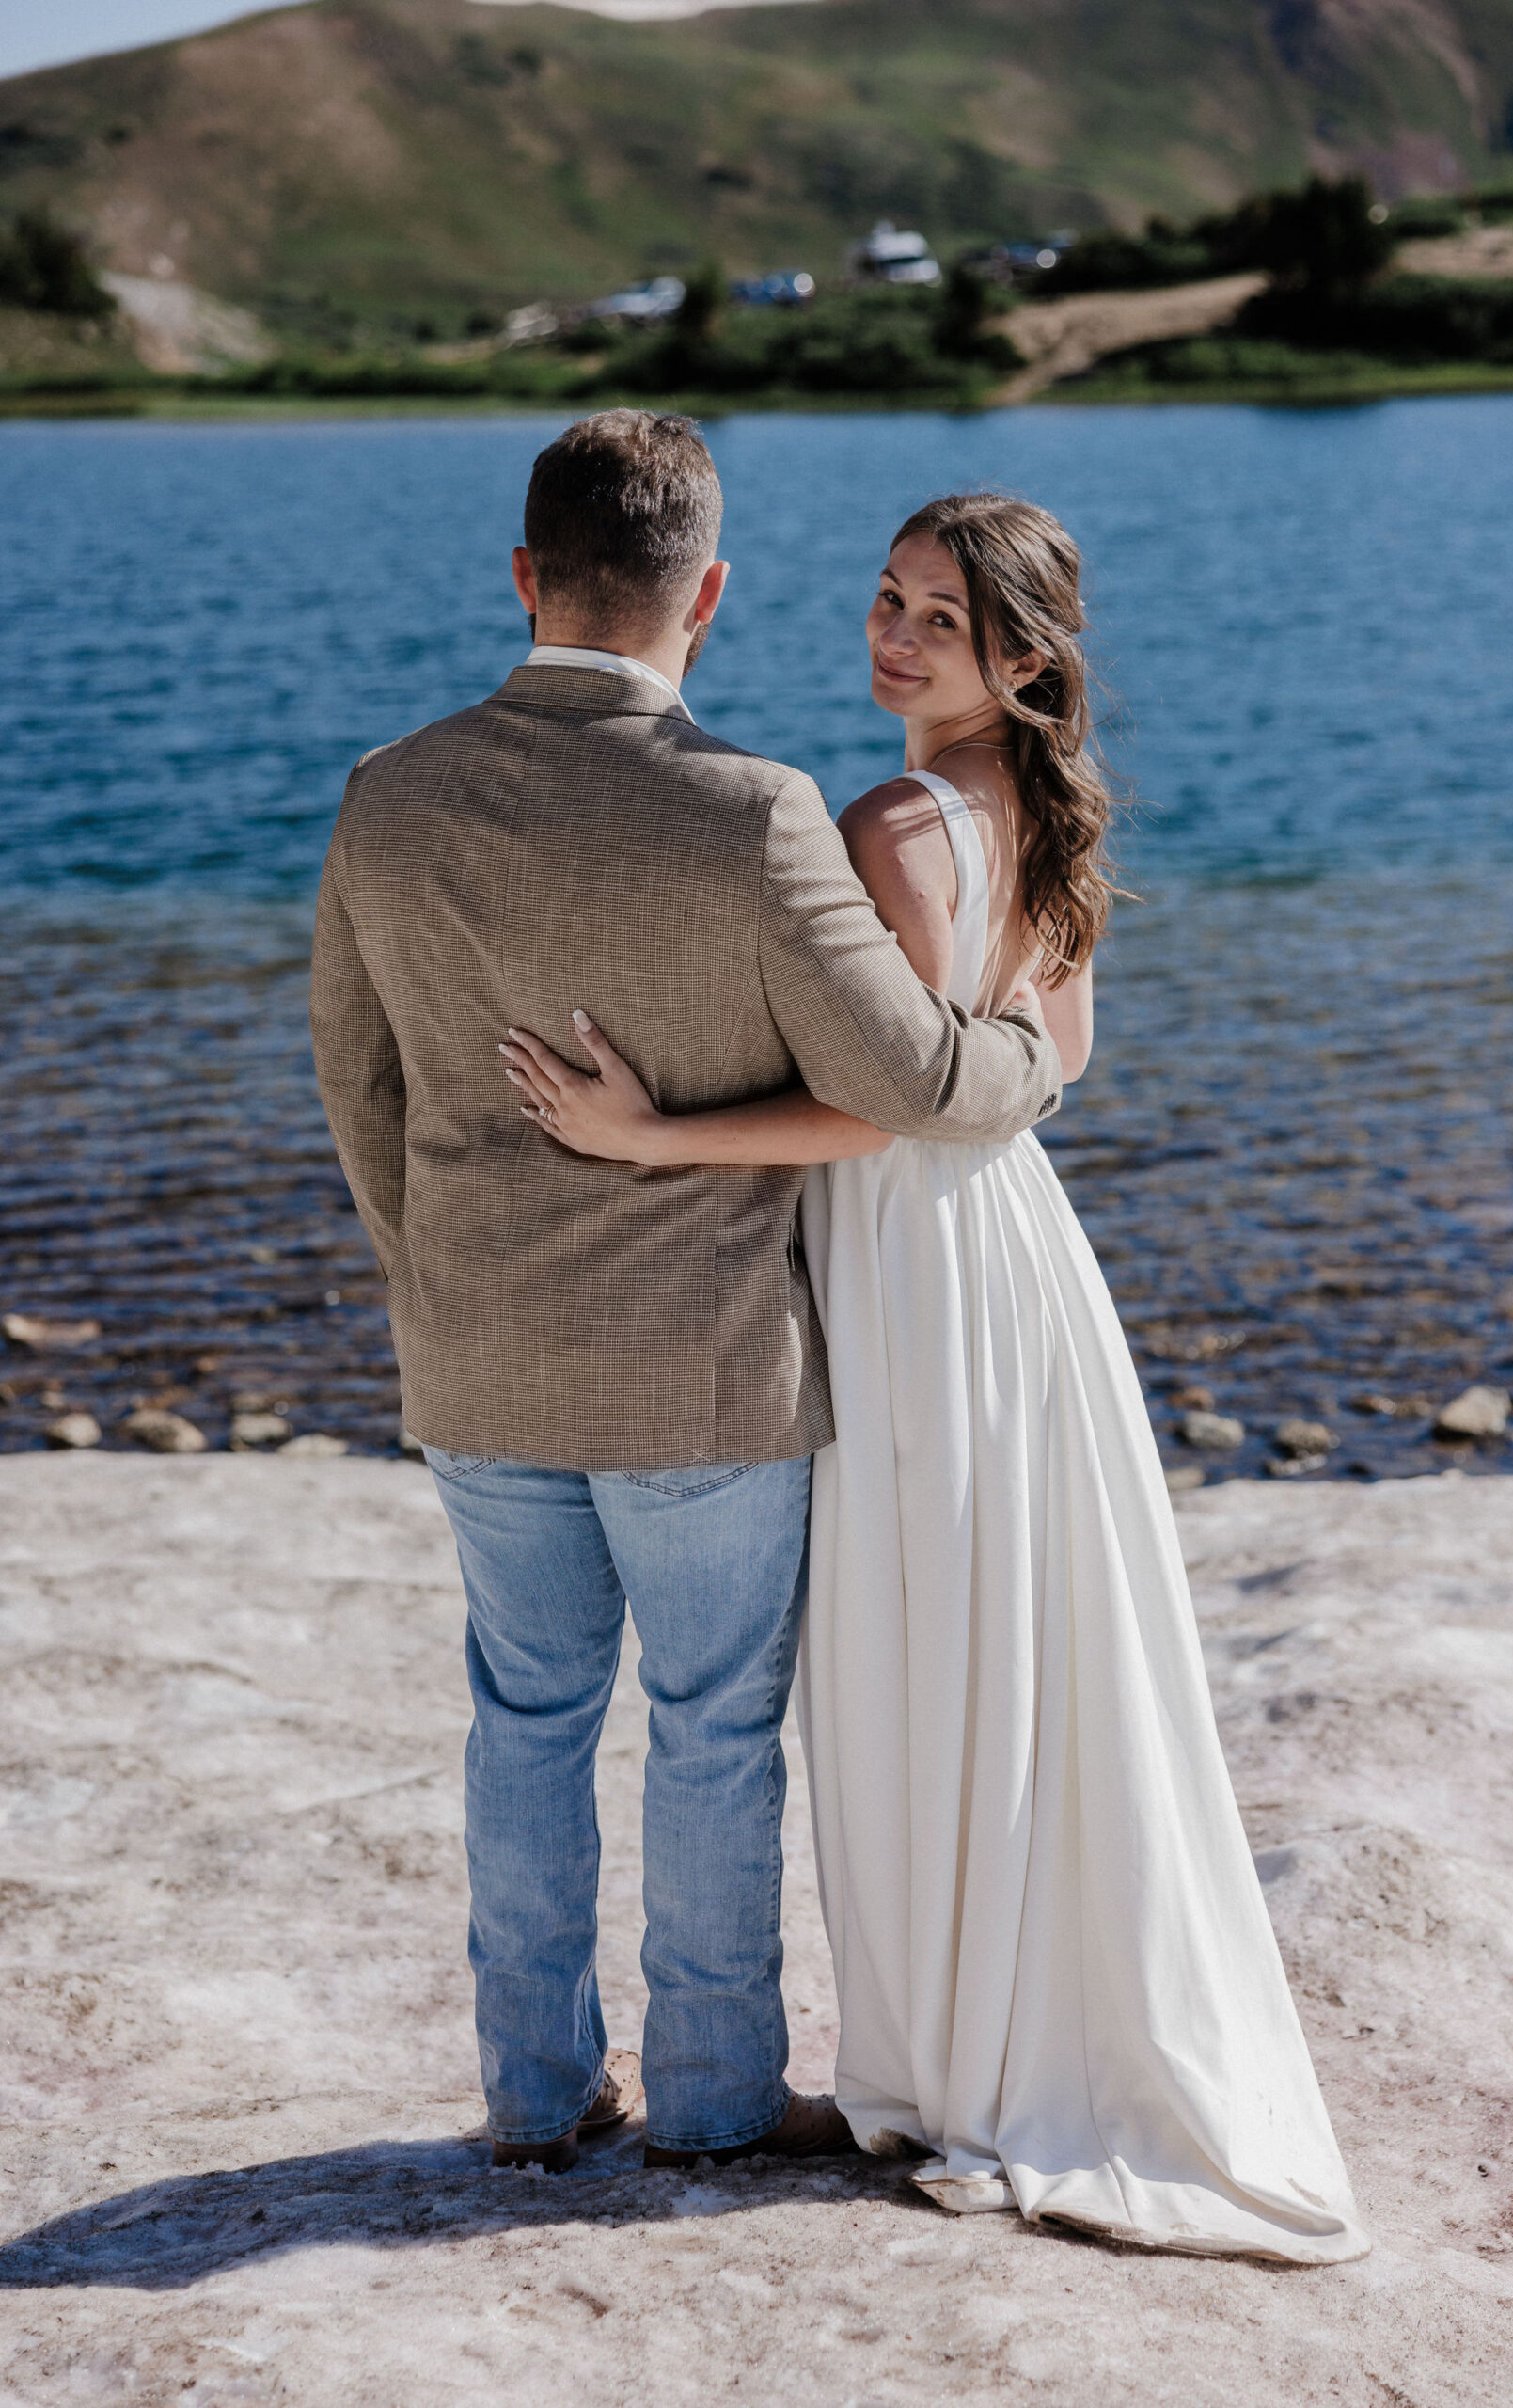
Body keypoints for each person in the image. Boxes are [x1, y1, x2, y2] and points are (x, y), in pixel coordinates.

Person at [500, 491, 1370, 2262]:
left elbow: (876, 1096)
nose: (895, 636)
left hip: (907, 1254)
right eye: (889, 599)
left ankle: (952, 2056)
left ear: (1021, 658)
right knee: (1017, 1635)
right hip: (1018, 1250)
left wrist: (653, 1135)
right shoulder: (1046, 814)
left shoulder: (892, 819)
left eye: (941, 624)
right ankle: (1010, 2024)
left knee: (922, 1645)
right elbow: (1056, 1063)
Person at [309, 417, 1063, 2178]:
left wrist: (434, 1282)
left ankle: (532, 2093)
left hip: (479, 1356)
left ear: (524, 579)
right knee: (711, 1732)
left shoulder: (387, 792)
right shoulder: (756, 811)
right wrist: (1031, 1048)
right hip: (704, 1378)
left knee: (526, 1715)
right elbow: (907, 1083)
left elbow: (360, 1089)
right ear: (706, 595)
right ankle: (715, 2109)